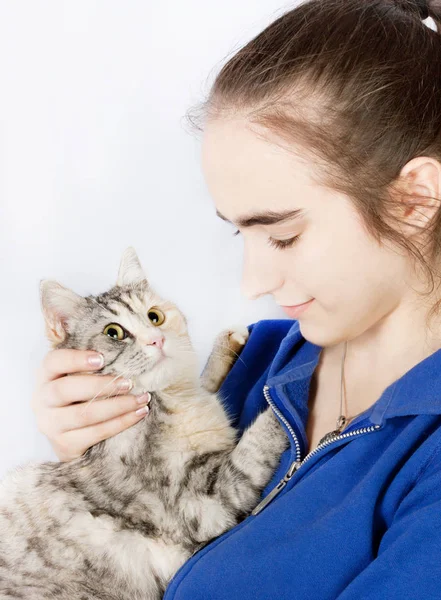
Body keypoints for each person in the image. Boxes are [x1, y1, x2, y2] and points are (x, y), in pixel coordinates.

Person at [31, 0, 441, 597]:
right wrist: (101, 463)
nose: (253, 284)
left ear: (414, 200)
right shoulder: (260, 362)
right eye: (238, 231)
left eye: (283, 235)